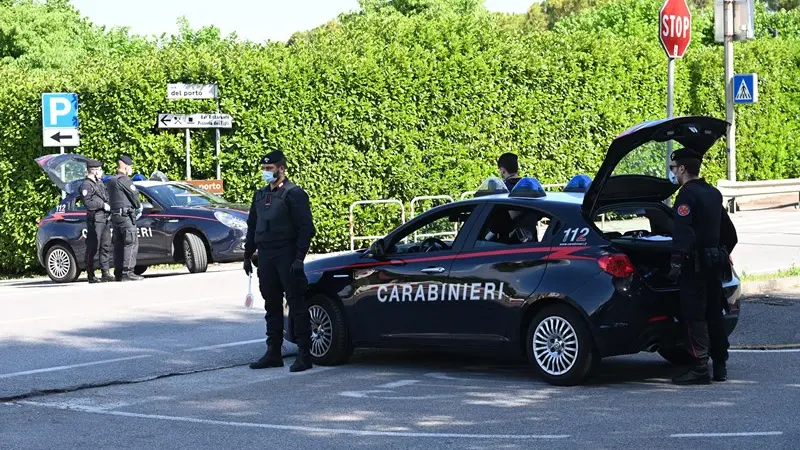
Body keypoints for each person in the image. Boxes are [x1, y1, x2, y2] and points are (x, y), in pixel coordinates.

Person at [667, 148, 737, 384]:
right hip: (714, 265)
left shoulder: (686, 196)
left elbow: (683, 233)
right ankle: (719, 366)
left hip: (693, 267)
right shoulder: (713, 194)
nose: (673, 173)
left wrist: (676, 262)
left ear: (683, 169)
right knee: (713, 314)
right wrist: (719, 253)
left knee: (694, 315)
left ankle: (698, 367)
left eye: (673, 168)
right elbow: (730, 233)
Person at [244, 150, 316, 372]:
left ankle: (304, 354)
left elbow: (306, 228)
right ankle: (273, 351)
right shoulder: (260, 195)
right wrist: (247, 254)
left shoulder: (294, 194)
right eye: (264, 169)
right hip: (266, 256)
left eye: (270, 169)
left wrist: (299, 258)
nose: (266, 173)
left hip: (287, 254)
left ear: (282, 169)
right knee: (271, 304)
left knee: (296, 304)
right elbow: (253, 226)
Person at [106, 154, 143, 282]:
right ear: (126, 167)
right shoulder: (125, 180)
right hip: (126, 216)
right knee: (131, 242)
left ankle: (119, 273)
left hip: (115, 217)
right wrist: (138, 205)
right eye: (130, 166)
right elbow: (135, 197)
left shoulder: (110, 180)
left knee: (118, 245)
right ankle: (128, 272)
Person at [78, 159, 114, 283]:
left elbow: (106, 196)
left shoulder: (99, 182)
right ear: (93, 170)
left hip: (105, 218)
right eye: (99, 170)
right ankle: (91, 274)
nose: (101, 172)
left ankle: (105, 272)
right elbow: (88, 203)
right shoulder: (86, 185)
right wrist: (103, 205)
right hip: (95, 219)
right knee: (93, 247)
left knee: (105, 245)